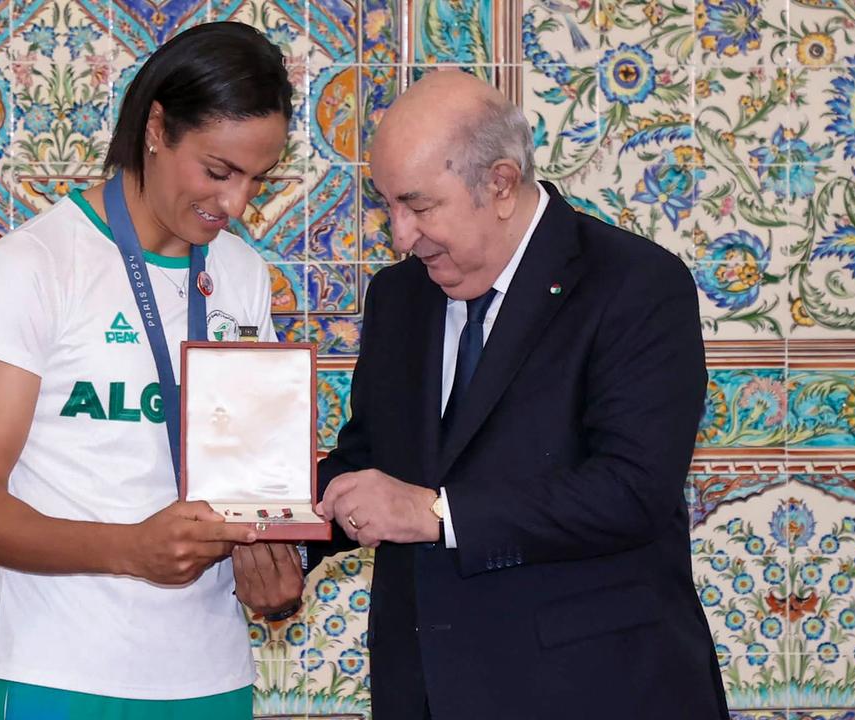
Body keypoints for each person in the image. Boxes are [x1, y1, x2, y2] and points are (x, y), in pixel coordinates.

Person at [310, 70, 731, 718]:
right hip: (427, 694)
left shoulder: (634, 286)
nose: (399, 236)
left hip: (592, 693)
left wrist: (438, 514)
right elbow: (371, 463)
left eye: (419, 207)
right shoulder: (399, 299)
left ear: (501, 185)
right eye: (387, 205)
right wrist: (280, 532)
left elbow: (631, 490)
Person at [0, 22, 305, 720]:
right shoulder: (35, 267)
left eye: (258, 179)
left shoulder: (242, 274)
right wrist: (131, 551)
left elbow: (248, 480)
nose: (236, 205)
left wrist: (272, 563)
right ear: (157, 129)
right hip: (62, 676)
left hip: (211, 677)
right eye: (219, 172)